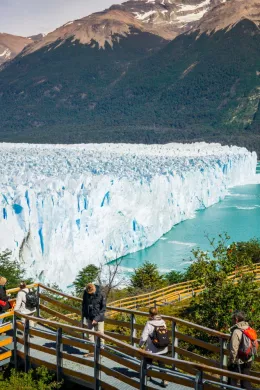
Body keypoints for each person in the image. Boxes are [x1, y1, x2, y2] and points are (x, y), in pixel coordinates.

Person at [139, 307, 169, 388]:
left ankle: (148, 376)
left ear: (150, 314)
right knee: (162, 364)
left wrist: (140, 345)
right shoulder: (163, 322)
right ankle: (164, 380)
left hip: (152, 348)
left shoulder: (149, 323)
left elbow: (143, 337)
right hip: (162, 347)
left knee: (148, 361)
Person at [228, 311, 253, 390]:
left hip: (238, 360)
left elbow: (233, 349)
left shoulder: (236, 331)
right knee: (245, 382)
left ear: (236, 319)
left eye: (232, 319)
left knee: (231, 383)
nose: (231, 321)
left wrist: (232, 361)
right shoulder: (249, 328)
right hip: (249, 359)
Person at [82, 283, 106, 358]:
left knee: (100, 335)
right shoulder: (86, 293)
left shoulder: (101, 294)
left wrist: (96, 319)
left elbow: (103, 309)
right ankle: (92, 351)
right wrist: (85, 315)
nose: (90, 294)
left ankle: (100, 353)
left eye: (91, 293)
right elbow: (84, 304)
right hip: (89, 317)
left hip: (99, 318)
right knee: (90, 335)